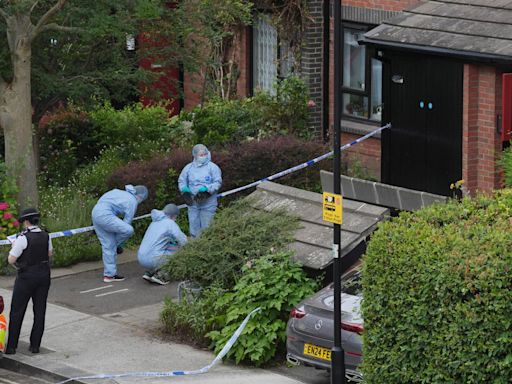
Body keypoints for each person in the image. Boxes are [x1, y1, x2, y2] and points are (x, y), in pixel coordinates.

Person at [5, 208, 52, 355]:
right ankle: (35, 346)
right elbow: (49, 254)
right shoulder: (46, 235)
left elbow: (11, 259)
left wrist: (14, 248)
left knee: (17, 311)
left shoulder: (22, 238)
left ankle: (12, 346)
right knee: (39, 311)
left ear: (26, 222)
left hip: (26, 277)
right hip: (44, 275)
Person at [92, 184, 148, 283]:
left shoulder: (117, 191)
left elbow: (103, 200)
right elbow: (127, 222)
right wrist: (120, 242)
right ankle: (116, 245)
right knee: (129, 230)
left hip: (95, 212)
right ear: (140, 197)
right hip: (106, 214)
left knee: (108, 246)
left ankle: (109, 275)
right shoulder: (132, 201)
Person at [178, 144, 222, 237]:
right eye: (200, 155)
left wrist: (207, 189)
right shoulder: (188, 168)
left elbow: (217, 182)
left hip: (208, 204)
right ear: (195, 155)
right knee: (194, 227)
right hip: (193, 203)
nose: (203, 157)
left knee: (207, 228)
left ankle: (206, 248)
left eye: (204, 154)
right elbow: (181, 181)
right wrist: (184, 190)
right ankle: (195, 247)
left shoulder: (213, 167)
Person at [137, 204, 187, 285]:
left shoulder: (154, 222)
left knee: (163, 248)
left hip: (141, 257)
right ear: (173, 215)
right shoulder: (170, 223)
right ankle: (161, 276)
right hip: (153, 259)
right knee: (176, 249)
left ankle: (151, 272)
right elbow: (181, 238)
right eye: (175, 217)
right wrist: (188, 246)